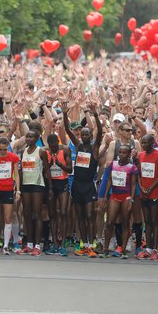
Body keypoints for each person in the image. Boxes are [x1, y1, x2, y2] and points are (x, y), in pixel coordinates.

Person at [63, 101, 102, 258]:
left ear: (90, 136)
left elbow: (100, 132)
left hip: (88, 186)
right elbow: (67, 129)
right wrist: (65, 113)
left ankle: (92, 245)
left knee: (89, 216)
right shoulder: (78, 146)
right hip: (77, 185)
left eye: (87, 134)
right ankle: (84, 244)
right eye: (83, 134)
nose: (84, 136)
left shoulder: (94, 148)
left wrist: (96, 115)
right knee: (79, 216)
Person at [99, 144, 138, 258]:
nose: (121, 154)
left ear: (129, 154)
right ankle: (106, 249)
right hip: (115, 195)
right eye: (120, 152)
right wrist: (105, 196)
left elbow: (134, 185)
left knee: (125, 223)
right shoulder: (113, 164)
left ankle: (123, 250)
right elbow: (110, 181)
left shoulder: (132, 167)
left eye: (124, 152)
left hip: (126, 196)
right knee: (110, 222)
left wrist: (131, 199)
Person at [137, 134, 158, 261]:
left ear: (152, 143)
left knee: (155, 220)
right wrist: (142, 187)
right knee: (147, 220)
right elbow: (138, 173)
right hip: (144, 192)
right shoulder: (140, 155)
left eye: (146, 143)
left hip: (155, 192)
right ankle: (148, 248)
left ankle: (154, 248)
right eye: (142, 143)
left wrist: (150, 188)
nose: (143, 145)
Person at [44, 133, 72, 256]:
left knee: (64, 212)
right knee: (52, 214)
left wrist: (61, 165)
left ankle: (63, 243)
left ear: (58, 143)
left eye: (55, 146)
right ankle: (55, 243)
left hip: (62, 183)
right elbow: (46, 170)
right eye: (51, 146)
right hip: (52, 184)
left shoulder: (65, 150)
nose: (53, 148)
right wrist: (50, 187)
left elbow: (70, 169)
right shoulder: (46, 152)